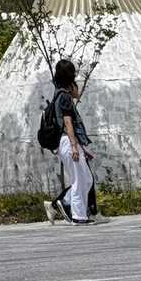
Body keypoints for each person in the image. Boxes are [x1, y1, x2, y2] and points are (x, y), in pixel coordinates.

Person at [43, 60, 93, 226]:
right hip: (68, 141)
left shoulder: (59, 92)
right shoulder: (64, 97)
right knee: (79, 180)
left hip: (68, 141)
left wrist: (80, 147)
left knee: (86, 179)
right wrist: (74, 146)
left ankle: (62, 202)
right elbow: (67, 122)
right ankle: (78, 216)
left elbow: (76, 95)